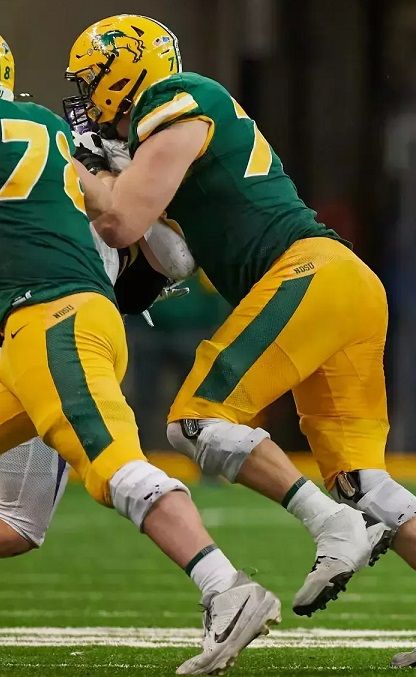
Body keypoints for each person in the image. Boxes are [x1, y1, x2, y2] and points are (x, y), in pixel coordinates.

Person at [66, 15, 416, 668]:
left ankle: (331, 522)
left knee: (195, 420)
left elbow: (121, 219)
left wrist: (84, 173)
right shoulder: (170, 127)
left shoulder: (175, 98)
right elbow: (173, 257)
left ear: (120, 74)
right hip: (341, 283)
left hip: (308, 273)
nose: (84, 100)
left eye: (88, 83)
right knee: (361, 476)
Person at [0, 33, 278, 674]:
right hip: (45, 324)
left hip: (52, 319)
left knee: (115, 465)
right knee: (21, 520)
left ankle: (225, 588)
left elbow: (153, 246)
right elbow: (114, 213)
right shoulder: (45, 128)